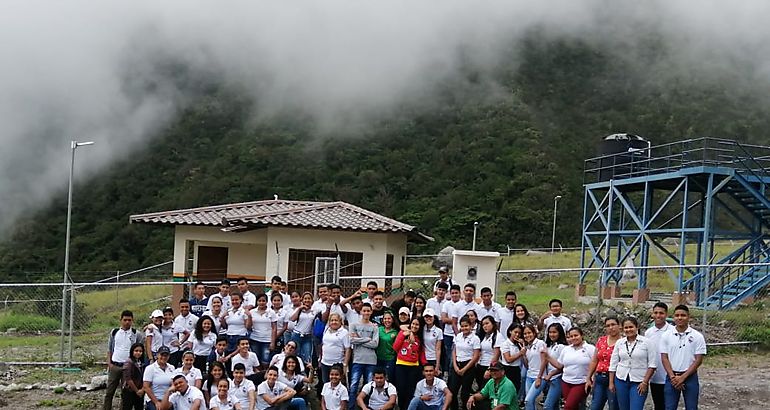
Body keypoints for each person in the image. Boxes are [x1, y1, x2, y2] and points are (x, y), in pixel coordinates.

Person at [660, 305, 706, 410]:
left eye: (683, 315)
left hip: (690, 377)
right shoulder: (666, 335)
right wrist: (673, 377)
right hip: (672, 377)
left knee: (691, 407)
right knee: (669, 407)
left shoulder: (697, 336)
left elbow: (698, 360)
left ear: (688, 317)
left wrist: (683, 377)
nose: (680, 318)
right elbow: (664, 357)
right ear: (673, 317)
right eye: (677, 315)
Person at [609, 317, 656, 410]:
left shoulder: (647, 343)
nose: (628, 330)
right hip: (621, 380)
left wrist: (645, 382)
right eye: (626, 328)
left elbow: (652, 365)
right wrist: (611, 382)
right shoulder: (620, 343)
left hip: (639, 382)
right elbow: (613, 364)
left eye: (631, 327)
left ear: (637, 327)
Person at [105, 310, 144, 410]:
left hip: (128, 367)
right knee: (109, 392)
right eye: (125, 320)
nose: (127, 322)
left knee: (125, 393)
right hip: (115, 366)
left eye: (129, 320)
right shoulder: (114, 332)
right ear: (121, 320)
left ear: (132, 321)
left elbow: (139, 350)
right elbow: (110, 349)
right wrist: (109, 363)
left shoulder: (136, 334)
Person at [550, 327, 596, 410]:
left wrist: (591, 378)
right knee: (574, 407)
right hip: (566, 382)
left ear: (582, 335)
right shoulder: (566, 349)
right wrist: (547, 357)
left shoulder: (590, 348)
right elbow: (560, 365)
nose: (573, 338)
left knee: (568, 407)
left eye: (576, 335)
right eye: (571, 336)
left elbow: (595, 363)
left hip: (581, 382)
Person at [528, 323, 567, 410]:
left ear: (560, 333)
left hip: (557, 378)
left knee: (547, 406)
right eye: (550, 332)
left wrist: (552, 373)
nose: (552, 334)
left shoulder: (562, 347)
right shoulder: (549, 346)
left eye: (554, 332)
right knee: (554, 405)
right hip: (548, 378)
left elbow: (562, 366)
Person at [349, 303, 380, 407]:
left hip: (371, 361)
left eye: (368, 311)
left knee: (369, 387)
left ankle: (366, 407)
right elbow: (352, 340)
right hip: (358, 360)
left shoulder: (375, 327)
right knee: (353, 386)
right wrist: (367, 339)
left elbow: (375, 344)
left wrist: (359, 339)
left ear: (371, 312)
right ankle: (351, 407)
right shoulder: (354, 325)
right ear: (361, 312)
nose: (366, 313)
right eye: (364, 311)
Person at [586, 317, 621, 410]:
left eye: (613, 325)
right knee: (595, 406)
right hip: (600, 378)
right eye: (608, 326)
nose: (611, 327)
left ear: (619, 326)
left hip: (616, 379)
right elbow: (595, 360)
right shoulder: (601, 340)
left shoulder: (623, 342)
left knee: (614, 406)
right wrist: (589, 377)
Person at [644, 302, 673, 410]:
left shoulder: (672, 331)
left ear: (666, 314)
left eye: (661, 313)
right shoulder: (648, 333)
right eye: (656, 313)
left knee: (670, 405)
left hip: (669, 376)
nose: (658, 315)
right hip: (655, 377)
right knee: (658, 405)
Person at [393, 317, 426, 410]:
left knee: (411, 391)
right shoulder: (403, 333)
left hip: (414, 367)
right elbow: (395, 347)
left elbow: (421, 354)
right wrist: (404, 335)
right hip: (401, 365)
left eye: (417, 324)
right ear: (410, 324)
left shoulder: (419, 338)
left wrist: (425, 365)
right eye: (413, 324)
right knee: (401, 389)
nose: (414, 326)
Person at [450, 315, 480, 410]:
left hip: (468, 366)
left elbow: (475, 356)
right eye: (462, 326)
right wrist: (455, 366)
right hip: (457, 365)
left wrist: (464, 369)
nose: (464, 328)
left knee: (465, 393)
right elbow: (454, 351)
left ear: (471, 326)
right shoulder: (458, 336)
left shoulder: (475, 338)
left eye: (466, 326)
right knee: (452, 391)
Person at [521, 324, 546, 410]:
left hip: (539, 376)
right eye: (525, 334)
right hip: (529, 376)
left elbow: (544, 361)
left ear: (534, 333)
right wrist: (523, 355)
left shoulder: (540, 343)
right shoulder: (526, 347)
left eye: (529, 333)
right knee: (529, 401)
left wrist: (539, 377)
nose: (527, 335)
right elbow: (527, 365)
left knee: (528, 400)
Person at [320, 313, 351, 383]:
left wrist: (345, 364)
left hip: (337, 363)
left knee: (339, 384)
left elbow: (348, 349)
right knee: (326, 384)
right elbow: (323, 344)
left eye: (336, 320)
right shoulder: (326, 330)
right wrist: (321, 358)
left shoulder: (344, 332)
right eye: (332, 320)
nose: (334, 322)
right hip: (325, 363)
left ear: (340, 321)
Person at [143, 346, 176, 410]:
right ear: (157, 355)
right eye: (162, 355)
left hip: (167, 399)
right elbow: (146, 387)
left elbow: (172, 383)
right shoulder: (150, 368)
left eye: (166, 355)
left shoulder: (172, 368)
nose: (164, 357)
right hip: (153, 399)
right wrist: (156, 402)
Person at [249, 293, 278, 365]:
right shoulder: (252, 312)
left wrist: (273, 342)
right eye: (259, 301)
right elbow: (248, 326)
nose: (261, 302)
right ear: (257, 302)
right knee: (256, 361)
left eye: (263, 301)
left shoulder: (271, 312)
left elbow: (274, 328)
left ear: (267, 302)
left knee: (266, 361)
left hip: (267, 340)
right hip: (254, 339)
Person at [289, 292, 317, 364]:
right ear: (302, 300)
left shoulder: (315, 311)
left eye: (309, 299)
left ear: (312, 300)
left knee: (307, 357)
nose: (307, 300)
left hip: (307, 336)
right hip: (296, 335)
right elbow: (292, 319)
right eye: (305, 299)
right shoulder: (299, 309)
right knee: (295, 356)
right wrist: (299, 309)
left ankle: (306, 373)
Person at [441, 284, 462, 379]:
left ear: (460, 293)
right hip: (448, 334)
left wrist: (455, 320)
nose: (454, 295)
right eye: (452, 293)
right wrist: (455, 320)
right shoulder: (446, 304)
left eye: (456, 293)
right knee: (449, 356)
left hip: (461, 335)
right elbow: (443, 319)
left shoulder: (462, 304)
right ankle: (448, 376)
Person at [500, 325, 525, 397]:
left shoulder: (518, 344)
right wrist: (520, 353)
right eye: (515, 332)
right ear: (510, 331)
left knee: (515, 390)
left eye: (519, 333)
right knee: (507, 391)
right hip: (508, 369)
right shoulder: (505, 344)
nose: (517, 335)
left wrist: (523, 345)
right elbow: (508, 359)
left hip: (517, 369)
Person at [121, 342, 146, 410]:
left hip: (140, 389)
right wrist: (137, 391)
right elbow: (128, 379)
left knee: (139, 407)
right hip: (129, 390)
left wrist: (142, 389)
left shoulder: (142, 362)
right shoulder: (128, 362)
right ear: (132, 351)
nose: (138, 353)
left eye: (140, 351)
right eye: (136, 351)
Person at [376, 311, 399, 381]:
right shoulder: (378, 329)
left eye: (389, 318)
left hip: (390, 359)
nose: (387, 320)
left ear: (392, 320)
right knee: (378, 379)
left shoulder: (395, 332)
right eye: (385, 319)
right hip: (378, 358)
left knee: (388, 378)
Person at [422, 308, 443, 375]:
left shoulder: (438, 331)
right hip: (423, 358)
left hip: (433, 358)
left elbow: (438, 349)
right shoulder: (421, 329)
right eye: (426, 317)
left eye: (430, 316)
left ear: (434, 317)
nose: (428, 318)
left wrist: (437, 365)